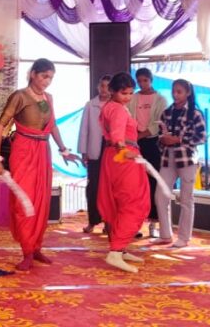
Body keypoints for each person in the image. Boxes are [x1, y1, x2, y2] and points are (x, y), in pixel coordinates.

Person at [0, 58, 80, 270]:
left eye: (50, 78)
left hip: (43, 151)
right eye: (44, 76)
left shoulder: (48, 98)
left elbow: (52, 125)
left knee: (41, 202)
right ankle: (27, 250)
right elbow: (1, 126)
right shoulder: (19, 96)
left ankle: (36, 246)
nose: (47, 81)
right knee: (24, 201)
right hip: (24, 150)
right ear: (33, 74)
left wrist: (64, 150)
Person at [98, 72, 150, 273]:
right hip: (123, 157)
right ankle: (116, 250)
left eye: (130, 93)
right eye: (123, 93)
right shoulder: (118, 109)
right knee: (133, 201)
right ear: (112, 91)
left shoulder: (110, 107)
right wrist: (123, 149)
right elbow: (117, 134)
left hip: (115, 157)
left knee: (120, 202)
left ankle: (120, 247)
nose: (127, 97)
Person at [152, 79, 206, 248]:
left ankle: (184, 237)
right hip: (168, 157)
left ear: (188, 93)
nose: (175, 95)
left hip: (187, 159)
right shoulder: (167, 112)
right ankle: (165, 234)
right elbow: (159, 136)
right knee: (160, 196)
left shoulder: (195, 113)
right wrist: (163, 140)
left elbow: (202, 137)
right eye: (174, 91)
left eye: (179, 91)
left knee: (186, 199)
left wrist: (179, 140)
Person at [128, 67, 166, 237]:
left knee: (153, 181)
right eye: (139, 81)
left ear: (151, 80)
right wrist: (134, 135)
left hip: (152, 143)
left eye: (145, 80)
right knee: (134, 182)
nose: (142, 84)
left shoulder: (160, 99)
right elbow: (128, 117)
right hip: (134, 143)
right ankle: (134, 223)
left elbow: (159, 122)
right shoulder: (133, 97)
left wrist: (143, 134)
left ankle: (153, 223)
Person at [77, 75, 111, 234]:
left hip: (111, 149)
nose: (104, 89)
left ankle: (109, 222)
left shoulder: (116, 105)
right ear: (98, 87)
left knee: (110, 188)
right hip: (94, 149)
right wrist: (84, 151)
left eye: (108, 86)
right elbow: (84, 129)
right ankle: (92, 221)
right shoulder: (90, 105)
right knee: (93, 187)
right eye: (102, 86)